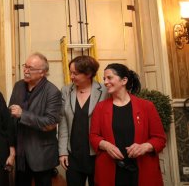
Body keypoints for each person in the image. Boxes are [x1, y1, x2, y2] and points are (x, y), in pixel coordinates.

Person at [90, 63, 166, 186]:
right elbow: (93, 136)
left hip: (141, 170)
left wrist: (144, 147)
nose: (105, 82)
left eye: (109, 78)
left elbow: (160, 139)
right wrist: (106, 145)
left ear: (124, 80)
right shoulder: (100, 108)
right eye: (104, 79)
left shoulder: (147, 106)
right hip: (111, 171)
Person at [9, 52, 62, 186]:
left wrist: (23, 115)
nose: (25, 70)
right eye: (25, 66)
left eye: (30, 68)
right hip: (21, 153)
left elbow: (50, 123)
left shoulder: (52, 92)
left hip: (41, 155)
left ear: (42, 72)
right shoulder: (18, 86)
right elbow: (11, 114)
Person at [58, 55, 108, 186]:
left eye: (75, 73)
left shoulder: (105, 91)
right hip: (73, 154)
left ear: (89, 73)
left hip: (97, 154)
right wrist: (62, 151)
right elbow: (63, 122)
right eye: (70, 73)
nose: (71, 76)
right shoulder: (66, 90)